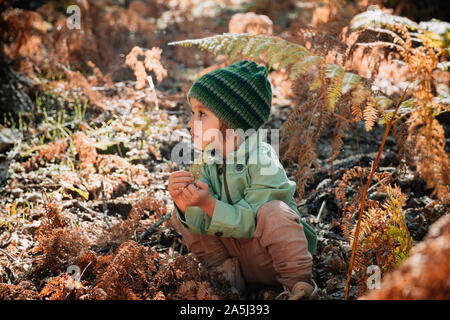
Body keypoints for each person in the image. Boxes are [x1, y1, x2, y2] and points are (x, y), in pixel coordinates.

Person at [168, 60, 318, 299]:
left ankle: (299, 285)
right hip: (234, 260)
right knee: (182, 211)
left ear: (232, 121)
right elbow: (200, 227)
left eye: (201, 114)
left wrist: (209, 205)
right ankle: (224, 281)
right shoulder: (208, 160)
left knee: (275, 212)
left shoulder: (263, 159)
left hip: (271, 259)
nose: (190, 122)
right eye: (192, 113)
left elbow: (251, 221)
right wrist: (186, 205)